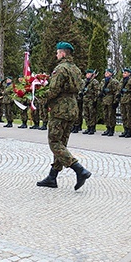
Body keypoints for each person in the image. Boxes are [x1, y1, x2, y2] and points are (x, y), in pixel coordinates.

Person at [36, 42, 91, 190]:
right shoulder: (76, 69)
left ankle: (79, 169)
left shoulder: (60, 69)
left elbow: (53, 90)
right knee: (61, 144)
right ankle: (52, 177)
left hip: (60, 109)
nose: (56, 55)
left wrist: (38, 97)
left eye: (58, 52)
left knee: (54, 142)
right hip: (72, 108)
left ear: (63, 54)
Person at [118, 68, 131, 138]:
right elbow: (119, 89)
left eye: (125, 73)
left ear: (129, 74)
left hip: (129, 99)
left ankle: (129, 130)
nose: (124, 74)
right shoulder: (121, 81)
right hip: (123, 99)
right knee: (124, 115)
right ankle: (125, 129)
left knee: (129, 115)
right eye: (123, 73)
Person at [99, 69, 119, 136]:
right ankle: (107, 128)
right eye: (106, 72)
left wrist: (115, 101)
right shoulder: (103, 81)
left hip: (110, 100)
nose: (106, 73)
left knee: (111, 115)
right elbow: (100, 89)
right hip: (104, 99)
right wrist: (100, 95)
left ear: (111, 74)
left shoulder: (113, 82)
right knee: (105, 114)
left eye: (108, 72)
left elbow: (116, 92)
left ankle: (111, 129)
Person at [81, 69, 100, 135]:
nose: (87, 75)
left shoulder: (94, 82)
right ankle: (88, 126)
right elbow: (82, 89)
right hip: (85, 99)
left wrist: (95, 100)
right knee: (86, 114)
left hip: (91, 99)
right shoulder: (85, 81)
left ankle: (92, 127)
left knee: (92, 114)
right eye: (87, 74)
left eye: (88, 73)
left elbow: (97, 92)